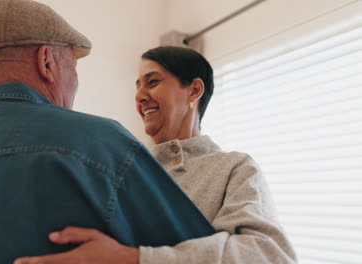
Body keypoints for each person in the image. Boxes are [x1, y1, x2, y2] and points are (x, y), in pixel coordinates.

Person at [0, 2, 217, 264]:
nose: (75, 85)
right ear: (46, 62)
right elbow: (200, 251)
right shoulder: (101, 145)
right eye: (72, 69)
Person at [16, 46, 297, 264]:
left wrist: (134, 259)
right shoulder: (124, 169)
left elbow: (266, 256)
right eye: (137, 86)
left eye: (152, 82)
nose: (139, 96)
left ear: (194, 90)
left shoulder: (233, 169)